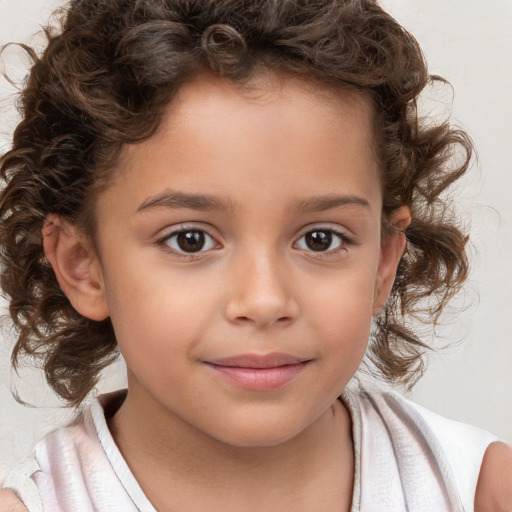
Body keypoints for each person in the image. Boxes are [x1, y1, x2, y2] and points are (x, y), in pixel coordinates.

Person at [0, 0, 511, 510]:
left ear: (381, 262)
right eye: (190, 239)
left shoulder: (481, 490)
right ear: (82, 266)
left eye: (320, 239)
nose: (264, 301)